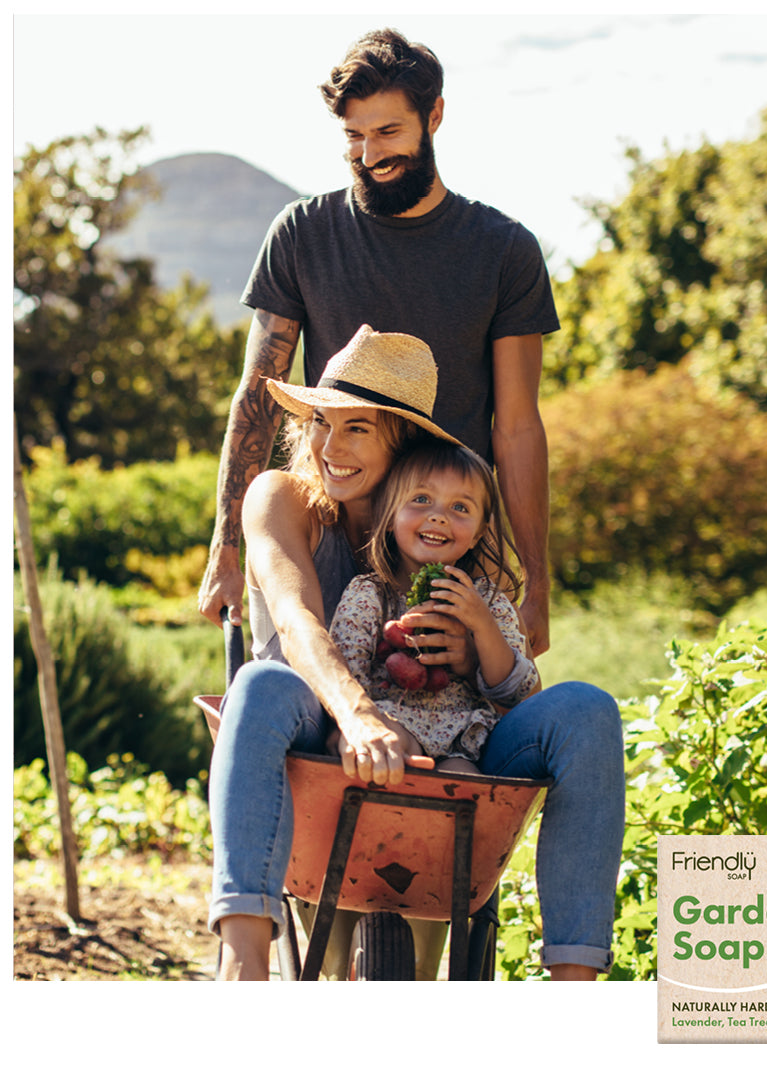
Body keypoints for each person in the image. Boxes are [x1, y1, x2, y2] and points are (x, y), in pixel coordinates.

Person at [208, 325, 624, 981]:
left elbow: (517, 680)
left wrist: (471, 648)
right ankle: (243, 967)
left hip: (457, 740)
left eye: (357, 429)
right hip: (314, 728)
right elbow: (297, 623)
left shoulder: (446, 529)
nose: (327, 446)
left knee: (587, 711)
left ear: (400, 442)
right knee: (258, 684)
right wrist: (361, 715)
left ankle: (574, 986)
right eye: (320, 421)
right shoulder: (281, 496)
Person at [199, 26, 557, 654]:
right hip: (328, 533)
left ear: (435, 116)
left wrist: (535, 580)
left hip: (447, 540)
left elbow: (518, 427)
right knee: (301, 707)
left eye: (388, 133)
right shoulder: (302, 234)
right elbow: (256, 398)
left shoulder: (504, 251)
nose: (369, 155)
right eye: (354, 136)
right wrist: (226, 547)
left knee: (451, 733)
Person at [328, 438, 539, 775]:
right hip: (390, 725)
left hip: (464, 741)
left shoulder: (487, 601)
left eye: (461, 508)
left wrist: (481, 625)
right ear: (390, 512)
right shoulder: (369, 594)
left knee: (463, 786)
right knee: (391, 747)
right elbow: (346, 673)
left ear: (479, 531)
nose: (438, 517)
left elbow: (517, 690)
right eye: (421, 499)